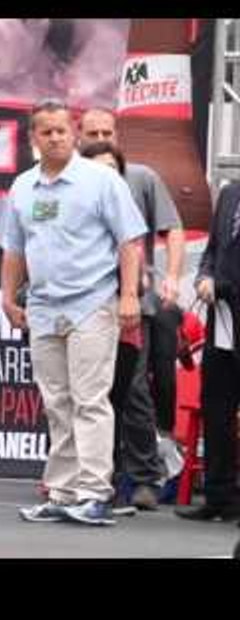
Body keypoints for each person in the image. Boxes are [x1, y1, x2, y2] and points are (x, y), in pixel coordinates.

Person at [0, 99, 146, 527]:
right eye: (46, 131)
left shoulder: (101, 180)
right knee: (56, 403)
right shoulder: (23, 187)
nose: (56, 137)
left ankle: (96, 492)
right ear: (33, 139)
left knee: (90, 399)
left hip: (92, 303)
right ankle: (62, 491)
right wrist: (7, 297)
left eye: (62, 130)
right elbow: (14, 248)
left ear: (74, 134)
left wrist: (129, 295)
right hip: (42, 307)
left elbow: (129, 243)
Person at [78, 109, 184, 511]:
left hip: (130, 305)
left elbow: (171, 229)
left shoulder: (139, 177)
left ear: (117, 135)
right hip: (79, 303)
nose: (101, 136)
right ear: (80, 136)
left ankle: (144, 478)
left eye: (107, 131)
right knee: (82, 393)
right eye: (93, 132)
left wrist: (172, 276)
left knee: (135, 391)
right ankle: (85, 476)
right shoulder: (67, 184)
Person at [175, 181, 240, 522]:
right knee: (217, 412)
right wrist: (204, 276)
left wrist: (225, 285)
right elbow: (214, 250)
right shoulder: (230, 194)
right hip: (222, 324)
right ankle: (219, 497)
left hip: (231, 301)